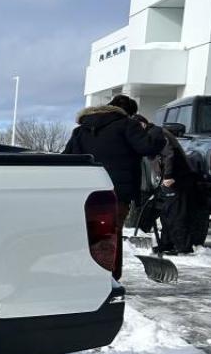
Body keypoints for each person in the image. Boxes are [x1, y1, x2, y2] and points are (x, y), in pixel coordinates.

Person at [63, 94, 165, 279]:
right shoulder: (127, 125)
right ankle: (110, 279)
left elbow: (67, 158)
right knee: (111, 233)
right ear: (130, 113)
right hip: (117, 191)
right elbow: (148, 147)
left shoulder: (81, 130)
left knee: (90, 233)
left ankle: (87, 276)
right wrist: (155, 131)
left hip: (87, 191)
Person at [151, 127, 202, 254]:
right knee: (166, 213)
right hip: (169, 180)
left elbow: (169, 155)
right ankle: (167, 244)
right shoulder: (154, 134)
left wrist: (168, 176)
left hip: (177, 180)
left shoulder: (158, 134)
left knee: (176, 214)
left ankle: (183, 247)